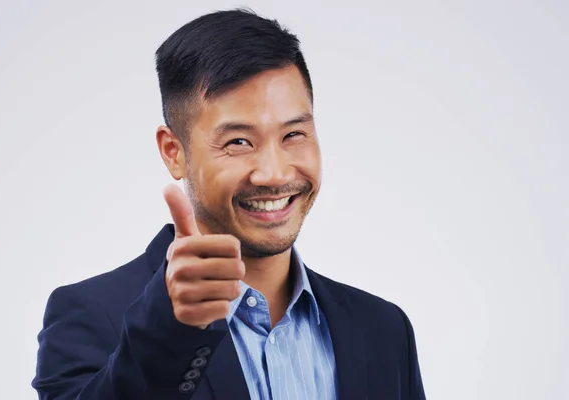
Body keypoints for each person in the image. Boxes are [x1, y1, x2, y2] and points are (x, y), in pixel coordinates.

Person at [32, 8, 426, 400]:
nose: (273, 173)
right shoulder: (89, 316)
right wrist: (171, 327)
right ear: (174, 152)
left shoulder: (384, 330)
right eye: (239, 141)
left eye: (294, 134)